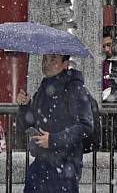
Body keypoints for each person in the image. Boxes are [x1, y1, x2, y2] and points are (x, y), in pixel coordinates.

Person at [16, 53, 94, 193]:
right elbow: (30, 124)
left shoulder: (74, 88)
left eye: (53, 59)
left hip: (65, 166)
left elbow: (86, 125)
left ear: (65, 64)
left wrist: (53, 140)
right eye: (45, 59)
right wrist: (25, 106)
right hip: (41, 163)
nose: (47, 63)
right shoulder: (43, 88)